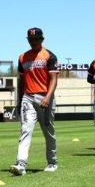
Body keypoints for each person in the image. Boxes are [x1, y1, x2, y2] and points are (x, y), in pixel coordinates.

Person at [10, 28, 59, 176]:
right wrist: (19, 100)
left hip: (44, 97)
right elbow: (21, 80)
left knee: (48, 131)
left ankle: (52, 162)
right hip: (28, 97)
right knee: (26, 129)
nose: (33, 42)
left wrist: (47, 97)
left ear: (42, 39)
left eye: (36, 39)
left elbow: (54, 80)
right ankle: (21, 164)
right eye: (31, 39)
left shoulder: (49, 56)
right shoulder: (22, 57)